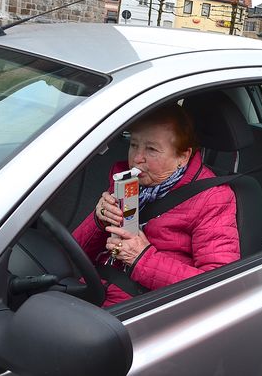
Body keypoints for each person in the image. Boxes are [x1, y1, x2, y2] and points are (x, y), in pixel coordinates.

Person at [73, 104, 240, 307]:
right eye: (134, 144)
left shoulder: (212, 198)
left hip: (143, 310)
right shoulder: (130, 183)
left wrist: (142, 259)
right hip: (93, 288)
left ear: (183, 156)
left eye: (151, 149)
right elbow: (73, 254)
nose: (136, 158)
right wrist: (99, 220)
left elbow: (217, 288)